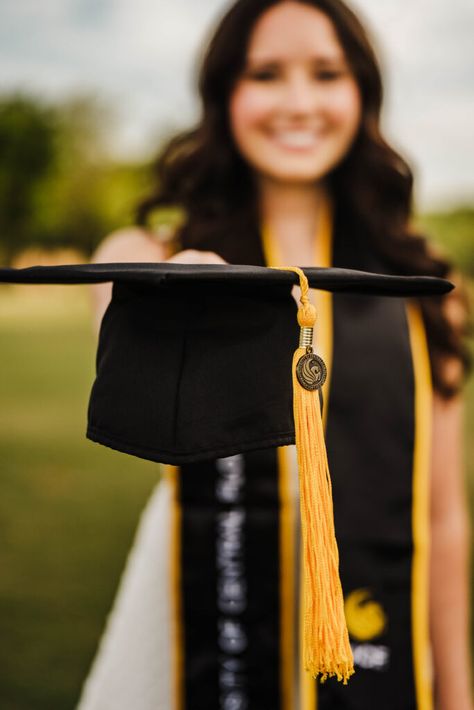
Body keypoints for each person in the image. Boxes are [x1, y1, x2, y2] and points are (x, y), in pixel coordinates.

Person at [78, 1, 472, 708]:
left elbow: (443, 518)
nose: (299, 102)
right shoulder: (162, 259)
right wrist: (168, 282)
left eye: (326, 73)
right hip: (201, 631)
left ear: (363, 92)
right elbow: (114, 283)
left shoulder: (421, 288)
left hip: (375, 638)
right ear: (225, 91)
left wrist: (459, 692)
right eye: (266, 73)